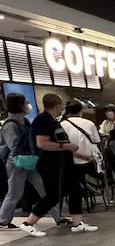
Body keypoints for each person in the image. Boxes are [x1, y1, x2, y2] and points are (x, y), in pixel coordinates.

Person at [17, 93, 98, 238]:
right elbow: (42, 143)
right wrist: (66, 147)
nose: (63, 107)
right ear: (57, 105)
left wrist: (76, 153)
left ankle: (77, 223)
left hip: (63, 163)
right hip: (51, 165)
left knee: (75, 190)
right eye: (61, 104)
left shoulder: (53, 121)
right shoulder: (42, 120)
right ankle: (28, 223)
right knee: (53, 196)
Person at [0, 93, 67, 230]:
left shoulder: (24, 121)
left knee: (45, 190)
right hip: (17, 163)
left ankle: (59, 217)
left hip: (29, 161)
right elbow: (13, 146)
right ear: (19, 105)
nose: (28, 104)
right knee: (15, 193)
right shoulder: (10, 124)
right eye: (25, 102)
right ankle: (3, 220)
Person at [61, 99, 103, 182]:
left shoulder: (62, 125)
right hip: (90, 162)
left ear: (67, 112)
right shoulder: (89, 123)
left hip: (71, 163)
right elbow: (97, 141)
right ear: (81, 111)